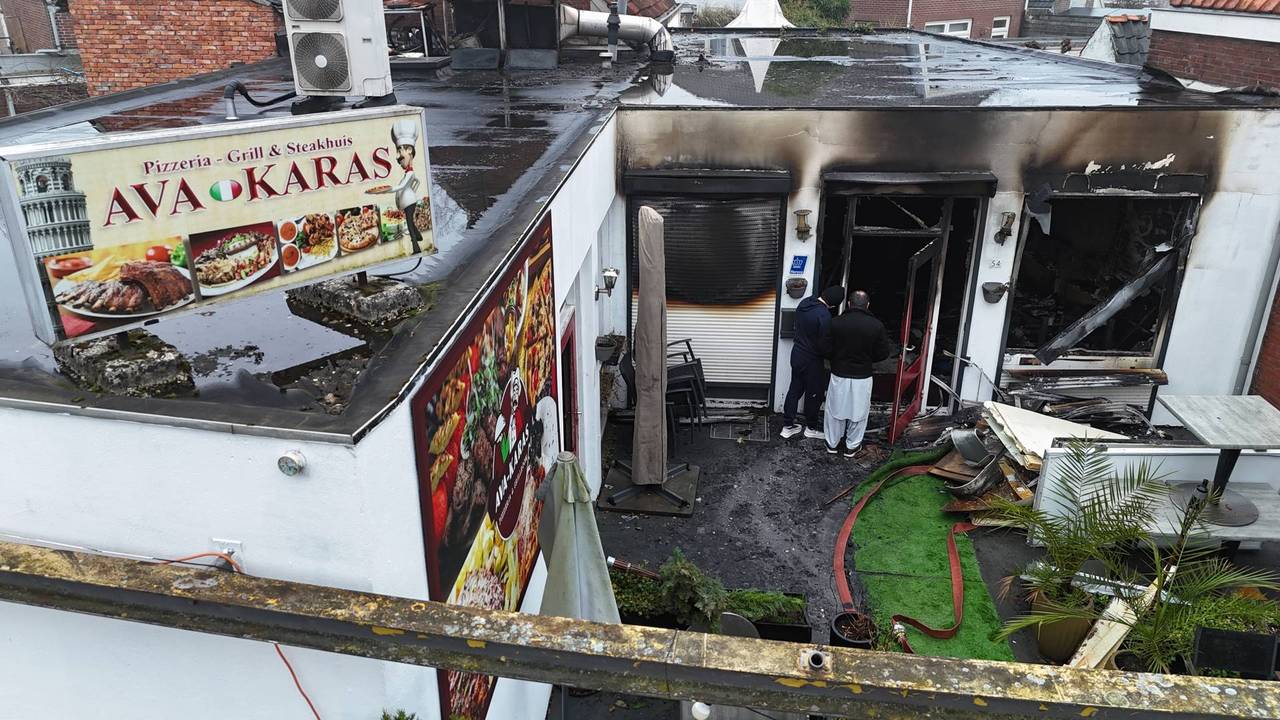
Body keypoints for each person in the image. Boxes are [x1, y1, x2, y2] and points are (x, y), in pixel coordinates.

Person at [822, 290, 894, 457]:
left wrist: (836, 357)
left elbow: (824, 348)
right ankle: (851, 447)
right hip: (863, 375)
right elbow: (883, 353)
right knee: (859, 413)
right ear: (867, 305)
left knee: (834, 411)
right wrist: (867, 359)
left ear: (848, 304)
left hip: (839, 373)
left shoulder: (835, 323)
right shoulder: (876, 325)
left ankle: (832, 444)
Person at [780, 286, 846, 440]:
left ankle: (787, 426)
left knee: (794, 390)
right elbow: (824, 345)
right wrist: (834, 355)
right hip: (812, 360)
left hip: (796, 354)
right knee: (813, 394)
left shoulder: (805, 303)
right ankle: (811, 427)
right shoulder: (824, 316)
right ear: (833, 305)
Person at [373, 119, 425, 254]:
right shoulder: (409, 173)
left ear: (410, 150)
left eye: (400, 155)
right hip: (409, 201)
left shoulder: (410, 172)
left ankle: (415, 246)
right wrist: (412, 191)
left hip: (409, 202)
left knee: (409, 223)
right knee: (411, 222)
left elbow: (401, 187)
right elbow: (416, 182)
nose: (398, 158)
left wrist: (387, 190)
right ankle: (418, 236)